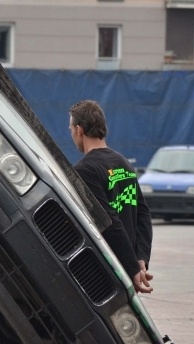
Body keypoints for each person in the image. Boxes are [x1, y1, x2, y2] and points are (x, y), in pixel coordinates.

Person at [69, 100, 153, 293]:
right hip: (126, 265)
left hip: (104, 270)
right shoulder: (122, 162)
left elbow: (109, 222)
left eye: (71, 129)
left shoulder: (85, 170)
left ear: (79, 130)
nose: (72, 134)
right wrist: (140, 259)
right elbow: (143, 213)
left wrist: (133, 268)